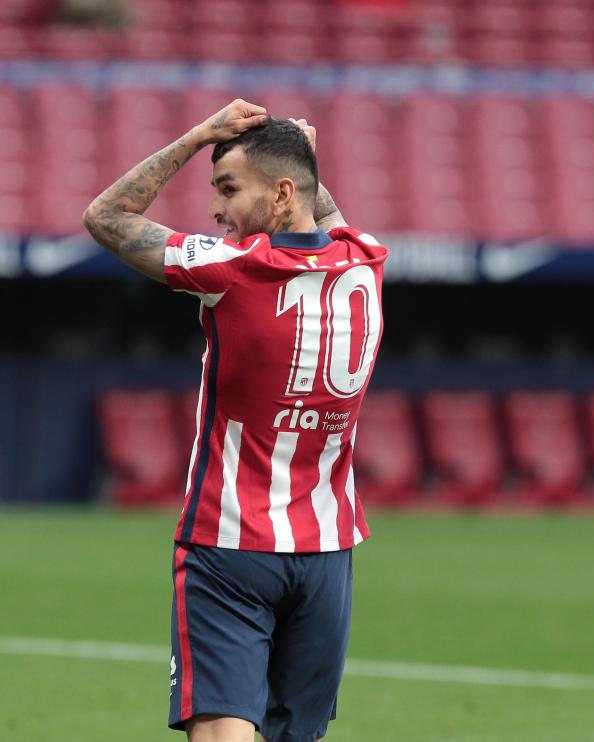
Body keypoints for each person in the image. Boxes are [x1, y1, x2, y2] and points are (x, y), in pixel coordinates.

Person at [83, 99, 388, 742]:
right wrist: (298, 156)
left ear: (278, 193)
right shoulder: (363, 263)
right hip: (327, 548)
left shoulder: (235, 270)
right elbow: (318, 211)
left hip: (230, 542)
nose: (217, 209)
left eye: (227, 189)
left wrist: (198, 137)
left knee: (224, 732)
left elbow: (106, 217)